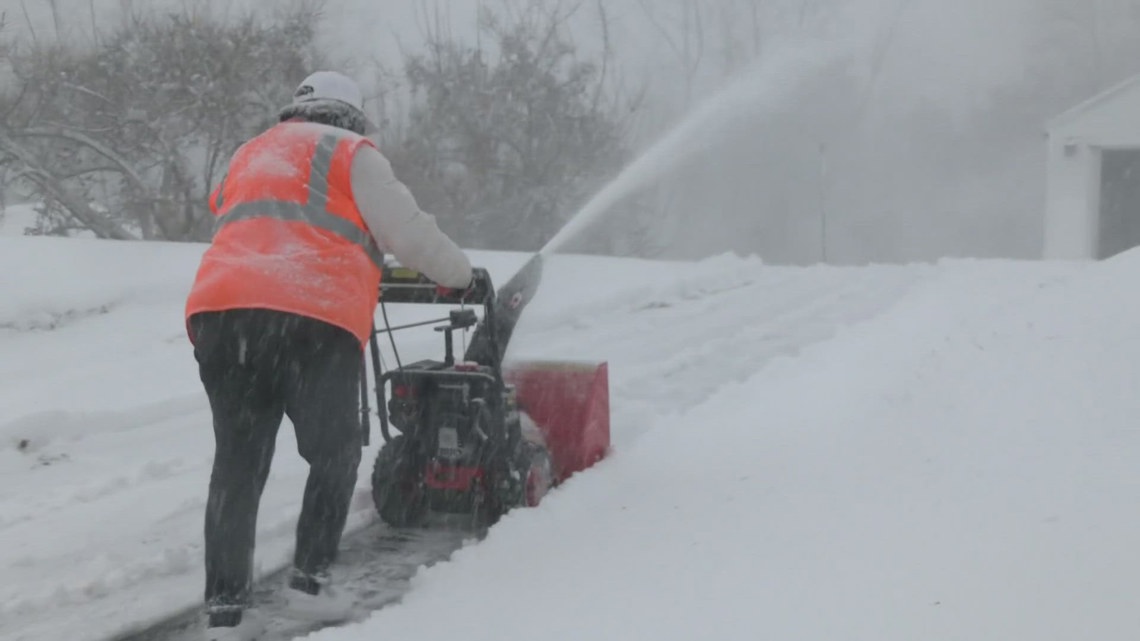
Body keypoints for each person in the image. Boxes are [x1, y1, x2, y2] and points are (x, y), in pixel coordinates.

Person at [184, 70, 473, 641]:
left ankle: (225, 612)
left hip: (223, 316)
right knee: (336, 450)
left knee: (238, 465)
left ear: (298, 109)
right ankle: (311, 584)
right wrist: (459, 276)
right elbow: (409, 234)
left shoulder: (251, 152)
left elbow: (240, 215)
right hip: (310, 315)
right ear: (352, 115)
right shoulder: (352, 153)